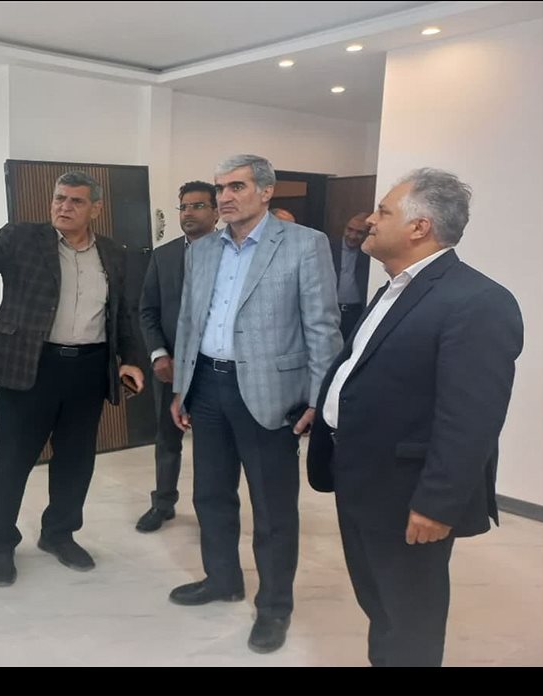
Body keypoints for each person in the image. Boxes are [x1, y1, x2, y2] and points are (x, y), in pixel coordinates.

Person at [307, 168, 523, 667]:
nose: (369, 220)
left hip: (408, 493)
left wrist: (437, 504)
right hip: (361, 475)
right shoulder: (396, 287)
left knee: (410, 615)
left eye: (383, 211)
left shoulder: (477, 301)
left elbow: (471, 418)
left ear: (419, 227)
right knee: (379, 602)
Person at [0, 171, 145, 587]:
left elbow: (122, 314)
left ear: (95, 208)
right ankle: (0, 546)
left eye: (75, 201)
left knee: (76, 461)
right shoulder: (22, 238)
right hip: (31, 368)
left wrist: (131, 360)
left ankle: (59, 534)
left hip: (88, 370)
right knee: (12, 461)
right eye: (59, 198)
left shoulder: (112, 253)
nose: (64, 207)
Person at [171, 154, 342, 653]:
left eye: (237, 187)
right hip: (207, 387)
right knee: (210, 494)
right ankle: (222, 578)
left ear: (266, 192)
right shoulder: (203, 248)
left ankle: (274, 607)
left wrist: (319, 398)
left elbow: (322, 326)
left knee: (272, 509)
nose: (224, 197)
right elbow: (189, 322)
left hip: (270, 393)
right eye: (220, 188)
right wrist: (183, 386)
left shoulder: (305, 244)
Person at [135, 181, 219, 533]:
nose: (188, 213)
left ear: (216, 212)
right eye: (183, 206)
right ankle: (163, 502)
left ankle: (213, 510)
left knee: (215, 444)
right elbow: (147, 310)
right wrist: (158, 355)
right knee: (167, 437)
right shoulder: (164, 256)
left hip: (216, 368)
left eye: (198, 206)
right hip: (170, 367)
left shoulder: (232, 253)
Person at [333, 213, 372, 340]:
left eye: (359, 232)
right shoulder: (329, 248)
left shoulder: (369, 253)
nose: (353, 236)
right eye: (350, 229)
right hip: (332, 310)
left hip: (356, 313)